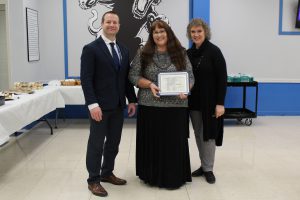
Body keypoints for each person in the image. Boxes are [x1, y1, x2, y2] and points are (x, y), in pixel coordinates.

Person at [129, 20, 194, 189]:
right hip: (150, 106)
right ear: (152, 36)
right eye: (155, 32)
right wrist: (149, 84)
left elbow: (191, 77)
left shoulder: (181, 53)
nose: (159, 35)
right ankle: (151, 175)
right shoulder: (143, 52)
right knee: (153, 142)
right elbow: (133, 76)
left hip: (176, 107)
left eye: (162, 31)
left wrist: (186, 89)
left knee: (173, 143)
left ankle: (174, 176)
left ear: (168, 33)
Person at [80, 11, 137, 197]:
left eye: (115, 22)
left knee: (113, 143)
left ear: (119, 26)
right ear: (102, 24)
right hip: (99, 107)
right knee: (96, 144)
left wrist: (132, 100)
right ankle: (93, 180)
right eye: (108, 22)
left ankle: (107, 173)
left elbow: (126, 78)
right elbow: (86, 79)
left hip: (118, 106)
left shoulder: (123, 49)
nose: (112, 25)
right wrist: (92, 105)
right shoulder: (91, 49)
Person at [186, 18, 227, 184]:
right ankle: (204, 165)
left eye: (199, 31)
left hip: (210, 102)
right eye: (193, 32)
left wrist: (220, 103)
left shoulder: (214, 51)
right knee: (198, 134)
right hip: (193, 102)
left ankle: (209, 169)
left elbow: (222, 78)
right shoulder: (188, 53)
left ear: (205, 32)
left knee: (208, 135)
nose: (196, 35)